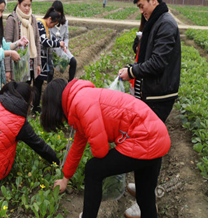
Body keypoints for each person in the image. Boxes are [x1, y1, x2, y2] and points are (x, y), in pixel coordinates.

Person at [40, 78, 171, 218]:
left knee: (93, 169)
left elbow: (101, 151)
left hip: (143, 138)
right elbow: (77, 146)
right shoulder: (81, 97)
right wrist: (65, 179)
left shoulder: (81, 103)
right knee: (145, 196)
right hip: (156, 136)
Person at [118, 0, 181, 218]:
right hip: (150, 94)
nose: (142, 11)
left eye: (142, 6)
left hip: (158, 97)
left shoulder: (165, 23)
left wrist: (132, 72)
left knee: (149, 147)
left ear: (153, 0)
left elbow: (157, 63)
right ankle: (144, 189)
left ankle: (146, 200)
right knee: (147, 143)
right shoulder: (157, 21)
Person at [33, 7, 66, 113]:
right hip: (37, 59)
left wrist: (60, 43)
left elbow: (50, 38)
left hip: (42, 60)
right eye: (54, 24)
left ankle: (36, 106)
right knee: (36, 84)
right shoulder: (39, 24)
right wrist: (58, 44)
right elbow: (45, 42)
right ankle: (34, 107)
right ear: (50, 19)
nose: (53, 27)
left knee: (39, 83)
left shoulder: (45, 26)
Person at [4, 0, 41, 83]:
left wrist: (38, 64)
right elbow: (6, 45)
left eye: (29, 5)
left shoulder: (33, 19)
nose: (27, 8)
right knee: (17, 93)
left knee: (27, 92)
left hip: (31, 63)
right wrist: (7, 69)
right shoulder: (12, 19)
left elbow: (37, 42)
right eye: (25, 5)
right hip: (17, 64)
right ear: (18, 4)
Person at [49, 0, 77, 81]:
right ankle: (49, 86)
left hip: (62, 49)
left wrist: (65, 46)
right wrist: (57, 43)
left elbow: (66, 36)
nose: (57, 13)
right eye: (56, 11)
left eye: (59, 11)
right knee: (50, 69)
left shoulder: (65, 22)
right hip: (52, 48)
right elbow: (48, 36)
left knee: (73, 62)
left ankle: (70, 83)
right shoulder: (50, 21)